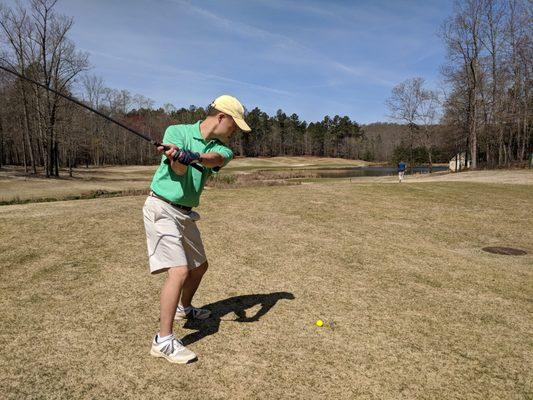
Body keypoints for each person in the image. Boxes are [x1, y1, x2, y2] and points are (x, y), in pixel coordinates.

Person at [143, 95, 251, 364]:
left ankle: (184, 308)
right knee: (178, 271)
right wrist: (178, 156)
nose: (235, 131)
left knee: (199, 266)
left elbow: (214, 159)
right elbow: (178, 171)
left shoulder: (222, 149)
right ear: (222, 117)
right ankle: (163, 341)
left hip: (186, 213)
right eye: (234, 125)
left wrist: (195, 155)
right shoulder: (177, 132)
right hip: (162, 207)